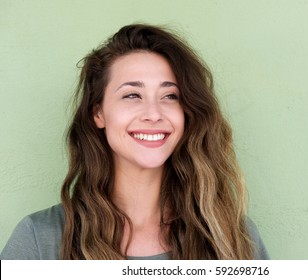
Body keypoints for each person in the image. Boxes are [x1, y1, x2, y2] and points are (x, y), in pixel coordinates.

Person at [1, 24, 269, 260]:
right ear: (99, 113)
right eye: (132, 95)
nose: (153, 114)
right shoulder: (38, 240)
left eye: (170, 96)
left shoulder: (233, 236)